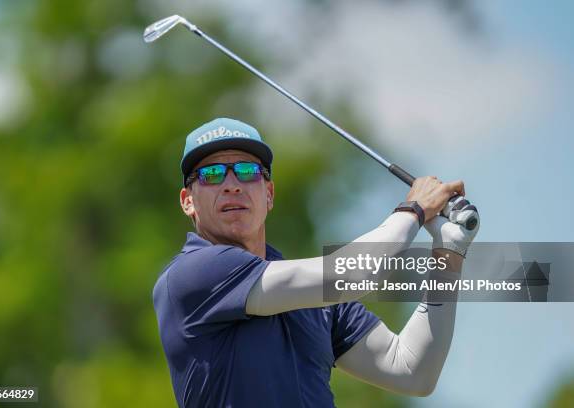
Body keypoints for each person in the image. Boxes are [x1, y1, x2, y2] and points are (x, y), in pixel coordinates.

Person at [153, 117, 480, 407]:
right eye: (211, 174)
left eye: (247, 171)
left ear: (269, 194)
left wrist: (448, 253)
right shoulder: (194, 274)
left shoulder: (312, 296)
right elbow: (352, 275)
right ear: (187, 202)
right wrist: (415, 210)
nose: (232, 184)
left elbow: (412, 371)